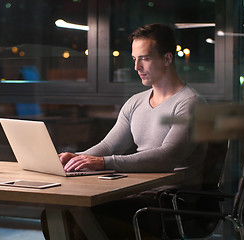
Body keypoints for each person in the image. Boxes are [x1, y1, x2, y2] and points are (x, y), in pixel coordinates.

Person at [42, 23, 208, 239]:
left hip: (172, 202)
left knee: (83, 216)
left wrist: (102, 162)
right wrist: (79, 158)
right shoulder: (136, 102)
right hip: (137, 192)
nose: (137, 66)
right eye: (134, 59)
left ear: (167, 59)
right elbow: (110, 145)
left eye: (145, 58)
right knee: (56, 213)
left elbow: (167, 157)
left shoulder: (190, 103)